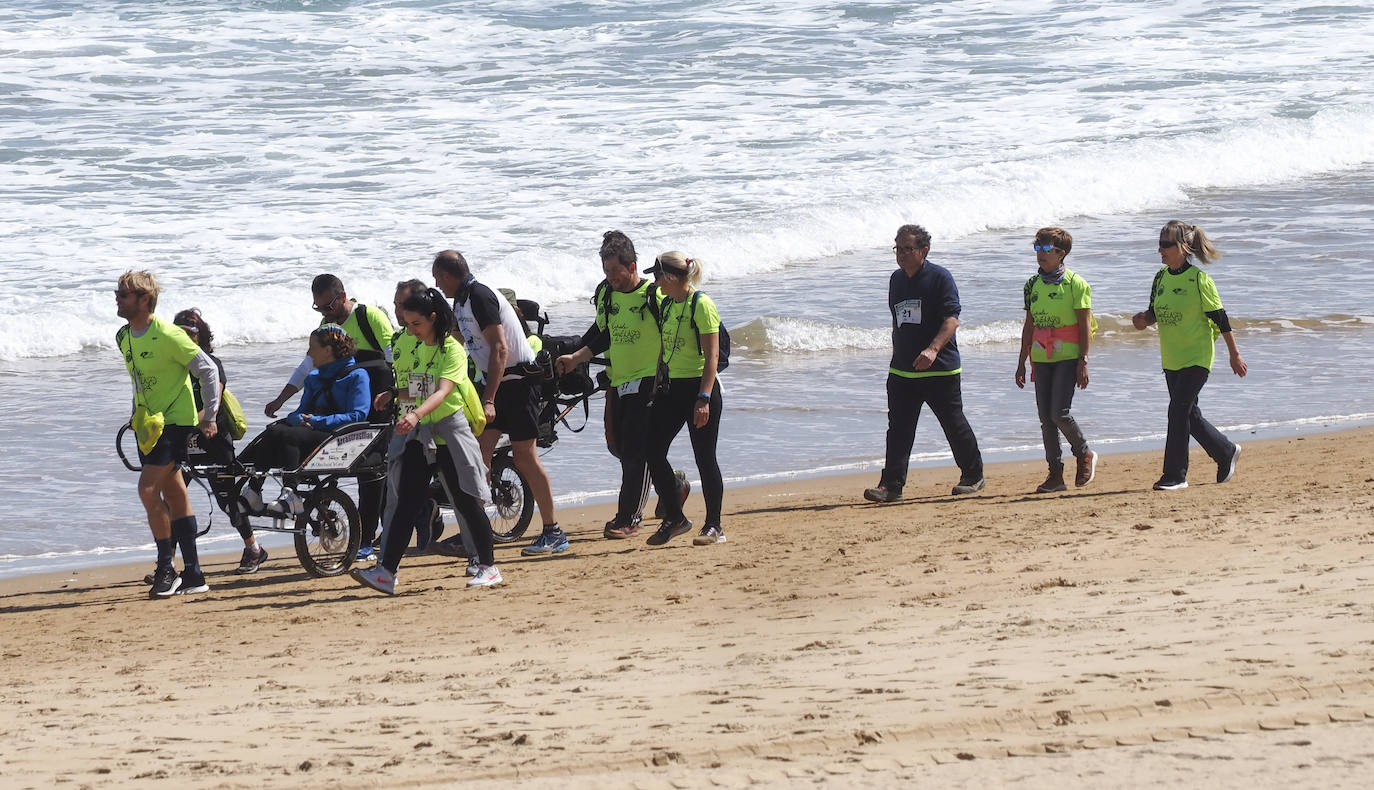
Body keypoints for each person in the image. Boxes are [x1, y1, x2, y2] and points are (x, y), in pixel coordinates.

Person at [352, 288, 502, 594]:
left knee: (466, 500)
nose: (411, 330)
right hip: (423, 435)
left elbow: (443, 391)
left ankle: (488, 567)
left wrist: (415, 415)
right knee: (407, 500)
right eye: (407, 325)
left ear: (433, 318)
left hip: (451, 431)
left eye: (416, 324)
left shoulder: (453, 350)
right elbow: (423, 387)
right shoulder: (420, 347)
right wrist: (395, 394)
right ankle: (386, 572)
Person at [432, 250, 566, 557]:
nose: (438, 285)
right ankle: (475, 531)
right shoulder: (461, 299)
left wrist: (488, 398)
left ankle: (553, 532)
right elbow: (458, 339)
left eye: (438, 278)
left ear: (449, 275)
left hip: (518, 385)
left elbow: (500, 350)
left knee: (524, 458)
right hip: (494, 384)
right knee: (479, 456)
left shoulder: (479, 295)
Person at [264, 274, 393, 559]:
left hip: (380, 401)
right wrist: (282, 400)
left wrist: (395, 394)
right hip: (347, 399)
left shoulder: (369, 316)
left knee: (372, 473)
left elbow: (394, 356)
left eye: (328, 306)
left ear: (343, 295)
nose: (324, 313)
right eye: (319, 308)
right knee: (355, 468)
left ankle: (369, 540)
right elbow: (306, 365)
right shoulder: (327, 327)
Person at [115, 271, 220, 597]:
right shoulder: (124, 336)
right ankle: (194, 574)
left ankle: (166, 568)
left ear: (144, 300)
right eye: (117, 292)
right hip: (148, 425)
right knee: (174, 493)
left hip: (176, 423)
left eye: (124, 294)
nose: (117, 298)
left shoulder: (169, 335)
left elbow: (209, 370)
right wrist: (137, 414)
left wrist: (210, 416)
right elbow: (140, 380)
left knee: (147, 490)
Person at [556, 230, 666, 539]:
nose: (611, 277)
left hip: (649, 380)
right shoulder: (606, 294)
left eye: (615, 271)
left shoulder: (653, 296)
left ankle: (628, 517)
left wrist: (667, 375)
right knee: (618, 446)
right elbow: (604, 333)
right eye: (606, 271)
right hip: (620, 380)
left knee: (635, 450)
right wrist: (575, 357)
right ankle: (673, 486)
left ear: (632, 267)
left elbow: (673, 336)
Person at [864, 224, 985, 503]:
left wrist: (932, 349)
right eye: (898, 248)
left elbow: (951, 319)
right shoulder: (896, 280)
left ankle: (973, 474)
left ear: (924, 251)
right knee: (899, 429)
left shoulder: (940, 277)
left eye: (908, 249)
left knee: (953, 423)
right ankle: (891, 486)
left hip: (940, 367)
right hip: (902, 369)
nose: (902, 254)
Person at [1132, 220, 1247, 490]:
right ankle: (1225, 451)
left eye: (1166, 245)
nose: (1160, 250)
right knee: (1188, 414)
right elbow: (1153, 313)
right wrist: (1142, 320)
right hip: (1171, 358)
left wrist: (1234, 354)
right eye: (1159, 244)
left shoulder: (1199, 280)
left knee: (1178, 411)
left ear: (1183, 247)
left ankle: (1175, 475)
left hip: (1197, 356)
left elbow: (1221, 319)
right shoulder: (1160, 278)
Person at [171, 308, 267, 573]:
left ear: (200, 336)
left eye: (190, 333)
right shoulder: (173, 367)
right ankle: (167, 563)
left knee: (227, 500)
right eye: (178, 333)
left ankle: (254, 549)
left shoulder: (211, 364)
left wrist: (190, 422)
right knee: (173, 498)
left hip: (214, 438)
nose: (184, 338)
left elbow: (212, 405)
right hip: (184, 439)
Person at [239, 325, 370, 516]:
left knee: (290, 435)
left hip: (338, 436)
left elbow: (358, 415)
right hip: (310, 432)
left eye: (311, 347)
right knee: (275, 430)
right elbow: (300, 411)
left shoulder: (357, 376)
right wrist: (298, 417)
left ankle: (292, 495)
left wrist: (318, 421)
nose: (308, 352)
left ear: (327, 350)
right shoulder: (314, 378)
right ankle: (253, 491)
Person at [643, 251, 727, 546]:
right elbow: (664, 351)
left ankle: (714, 526)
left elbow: (712, 356)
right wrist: (656, 386)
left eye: (657, 277)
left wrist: (703, 398)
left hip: (699, 390)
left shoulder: (701, 305)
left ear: (669, 277)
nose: (655, 283)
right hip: (671, 389)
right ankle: (676, 518)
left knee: (704, 458)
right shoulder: (667, 304)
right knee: (652, 450)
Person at [1014, 228, 1098, 493]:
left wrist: (1083, 361)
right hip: (1041, 357)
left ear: (1061, 254)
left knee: (1059, 413)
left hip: (1068, 357)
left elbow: (1085, 326)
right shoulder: (1031, 285)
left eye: (1046, 249)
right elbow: (1029, 325)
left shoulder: (1076, 284)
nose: (1040, 254)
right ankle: (1055, 475)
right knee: (1045, 419)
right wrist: (1021, 362)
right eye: (1037, 248)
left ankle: (1084, 454)